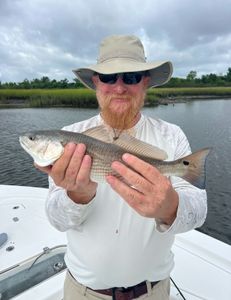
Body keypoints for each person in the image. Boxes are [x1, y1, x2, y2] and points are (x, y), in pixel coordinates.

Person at [37, 35, 207, 300]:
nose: (119, 88)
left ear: (145, 82)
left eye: (130, 77)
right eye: (108, 77)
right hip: (83, 293)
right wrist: (77, 196)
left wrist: (171, 207)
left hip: (154, 292)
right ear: (95, 81)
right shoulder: (70, 137)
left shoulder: (172, 135)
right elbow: (57, 221)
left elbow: (199, 211)